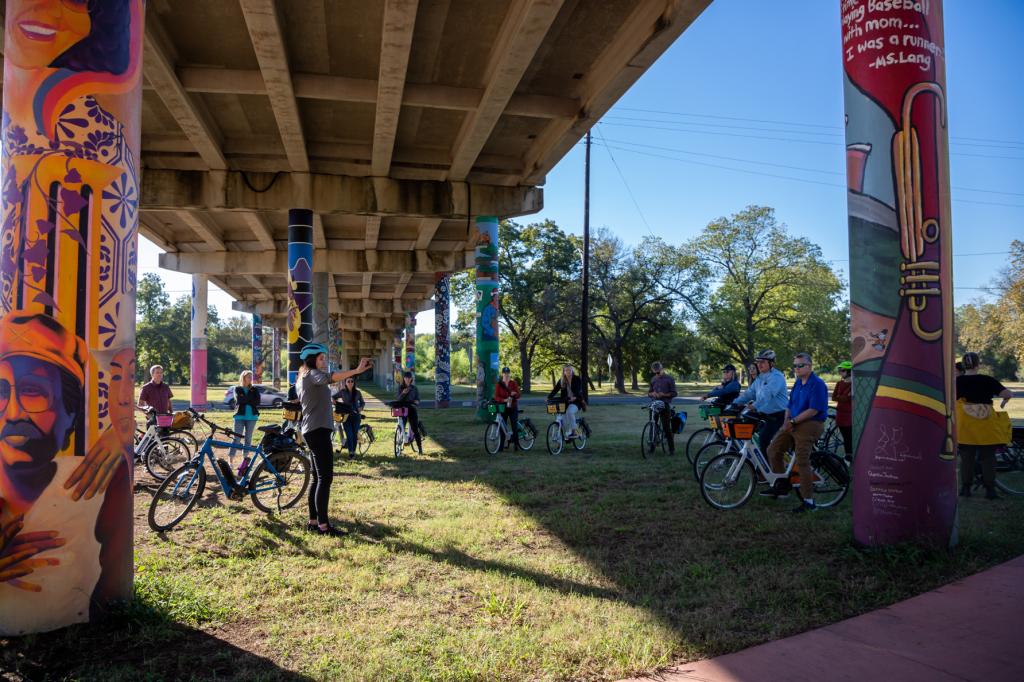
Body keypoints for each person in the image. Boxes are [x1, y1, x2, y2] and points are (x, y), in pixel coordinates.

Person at [295, 344, 372, 536]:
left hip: (312, 430)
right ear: (312, 359)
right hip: (318, 431)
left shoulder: (304, 376)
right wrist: (355, 370)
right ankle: (324, 526)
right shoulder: (312, 374)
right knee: (325, 478)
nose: (324, 362)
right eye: (321, 358)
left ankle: (313, 522)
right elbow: (331, 377)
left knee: (317, 478)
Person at [760, 353, 829, 512]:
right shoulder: (798, 383)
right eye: (795, 366)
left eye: (800, 365)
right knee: (773, 449)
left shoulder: (817, 384)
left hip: (810, 423)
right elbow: (789, 405)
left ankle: (809, 502)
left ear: (810, 366)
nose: (796, 369)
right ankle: (782, 486)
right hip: (794, 422)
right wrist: (786, 421)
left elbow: (813, 410)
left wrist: (793, 422)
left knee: (801, 460)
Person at [956, 352, 1013, 500]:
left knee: (966, 457)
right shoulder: (987, 380)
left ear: (963, 365)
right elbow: (1007, 394)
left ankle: (966, 489)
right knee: (988, 457)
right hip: (986, 423)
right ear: (977, 364)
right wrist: (1003, 401)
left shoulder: (956, 382)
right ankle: (990, 490)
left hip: (965, 425)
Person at [730, 350, 789, 451]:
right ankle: (737, 454)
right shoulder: (760, 378)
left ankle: (765, 465)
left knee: (764, 439)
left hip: (778, 415)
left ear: (771, 363)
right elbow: (749, 393)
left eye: (762, 362)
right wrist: (735, 403)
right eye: (758, 362)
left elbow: (767, 395)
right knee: (740, 427)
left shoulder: (777, 377)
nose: (759, 364)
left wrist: (754, 405)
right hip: (763, 413)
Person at [229, 371, 260, 475]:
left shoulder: (254, 389)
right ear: (243, 378)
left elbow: (257, 402)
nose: (250, 378)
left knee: (248, 438)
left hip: (252, 417)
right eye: (248, 377)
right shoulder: (237, 389)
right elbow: (239, 400)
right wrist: (249, 399)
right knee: (236, 439)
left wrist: (245, 399)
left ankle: (245, 462)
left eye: (251, 376)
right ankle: (230, 461)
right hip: (239, 417)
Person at [647, 361, 678, 454]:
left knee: (666, 428)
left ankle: (671, 449)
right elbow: (649, 393)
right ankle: (652, 447)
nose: (657, 374)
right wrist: (652, 394)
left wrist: (663, 394)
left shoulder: (669, 379)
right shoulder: (653, 379)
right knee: (652, 425)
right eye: (655, 372)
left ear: (662, 369)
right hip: (654, 404)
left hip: (665, 405)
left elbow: (674, 393)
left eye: (658, 372)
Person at [548, 365, 586, 439]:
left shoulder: (577, 379)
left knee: (570, 412)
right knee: (563, 419)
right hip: (565, 402)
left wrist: (574, 397)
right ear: (564, 372)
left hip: (576, 401)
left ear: (572, 371)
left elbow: (578, 390)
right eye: (566, 370)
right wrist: (548, 397)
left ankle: (575, 432)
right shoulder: (562, 380)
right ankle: (566, 435)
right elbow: (555, 390)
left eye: (569, 370)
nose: (568, 372)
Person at [334, 377, 365, 458]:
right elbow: (333, 397)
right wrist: (335, 402)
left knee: (354, 434)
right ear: (345, 383)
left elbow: (362, 402)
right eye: (348, 381)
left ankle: (353, 452)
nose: (350, 383)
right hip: (346, 416)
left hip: (356, 416)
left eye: (352, 381)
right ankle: (350, 452)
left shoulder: (358, 392)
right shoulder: (343, 392)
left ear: (354, 383)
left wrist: (361, 408)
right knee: (349, 434)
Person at [493, 367, 522, 450]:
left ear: (510, 374)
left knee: (514, 425)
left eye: (508, 373)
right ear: (502, 374)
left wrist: (514, 394)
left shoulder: (513, 383)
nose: (506, 375)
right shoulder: (499, 384)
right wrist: (504, 400)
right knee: (502, 426)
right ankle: (501, 446)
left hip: (512, 407)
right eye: (505, 373)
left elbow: (518, 395)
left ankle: (516, 445)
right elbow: (496, 396)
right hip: (503, 407)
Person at [395, 371, 423, 450]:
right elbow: (398, 399)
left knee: (415, 428)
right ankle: (401, 444)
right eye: (406, 378)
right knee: (401, 426)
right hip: (402, 409)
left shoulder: (414, 388)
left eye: (409, 378)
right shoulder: (400, 388)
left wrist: (417, 401)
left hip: (411, 409)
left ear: (411, 379)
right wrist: (403, 393)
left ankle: (419, 448)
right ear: (403, 379)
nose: (407, 379)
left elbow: (417, 399)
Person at [832, 361, 853, 461]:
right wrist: (844, 397)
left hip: (849, 415)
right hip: (840, 414)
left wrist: (842, 397)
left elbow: (845, 399)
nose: (840, 372)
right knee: (846, 437)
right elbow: (833, 397)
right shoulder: (839, 383)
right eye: (839, 370)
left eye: (843, 370)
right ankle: (848, 456)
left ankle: (849, 456)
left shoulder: (854, 384)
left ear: (849, 371)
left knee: (849, 438)